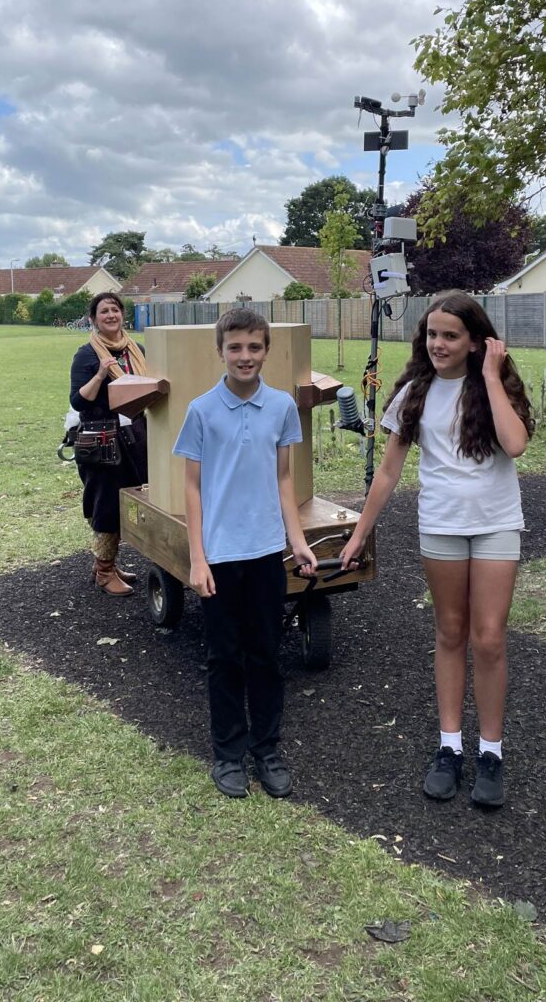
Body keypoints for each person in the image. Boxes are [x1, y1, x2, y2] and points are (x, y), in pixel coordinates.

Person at [340, 291, 534, 808]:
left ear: (475, 341)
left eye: (451, 335)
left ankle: (490, 751)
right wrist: (360, 534)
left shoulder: (495, 386)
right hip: (441, 527)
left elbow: (514, 445)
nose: (438, 344)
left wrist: (491, 376)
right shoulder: (414, 393)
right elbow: (388, 471)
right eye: (432, 334)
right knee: (450, 631)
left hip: (495, 525)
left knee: (488, 638)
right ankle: (450, 746)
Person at [173, 308, 317, 800]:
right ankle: (229, 754)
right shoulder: (201, 410)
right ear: (221, 351)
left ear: (266, 350)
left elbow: (283, 481)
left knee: (265, 655)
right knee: (223, 658)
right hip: (218, 556)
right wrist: (197, 557)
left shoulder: (279, 409)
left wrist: (297, 542)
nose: (245, 356)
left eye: (254, 347)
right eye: (235, 347)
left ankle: (267, 750)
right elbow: (191, 489)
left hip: (265, 554)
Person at [69, 291, 148, 596]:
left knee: (131, 497)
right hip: (102, 438)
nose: (111, 316)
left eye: (115, 310)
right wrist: (102, 373)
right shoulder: (87, 355)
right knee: (106, 503)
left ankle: (109, 563)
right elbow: (77, 401)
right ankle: (104, 572)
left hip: (135, 437)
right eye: (104, 312)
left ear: (122, 315)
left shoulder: (135, 350)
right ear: (93, 319)